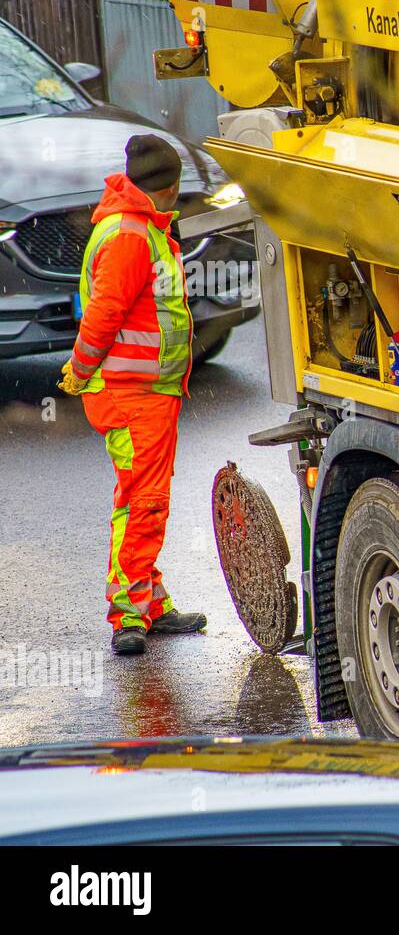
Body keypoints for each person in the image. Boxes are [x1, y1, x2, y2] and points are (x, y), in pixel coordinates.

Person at [58, 134, 207, 655]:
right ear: (166, 188)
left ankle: (150, 601)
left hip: (146, 389)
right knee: (142, 501)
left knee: (145, 498)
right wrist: (78, 369)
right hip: (130, 391)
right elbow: (104, 314)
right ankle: (128, 613)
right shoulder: (129, 235)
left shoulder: (141, 227)